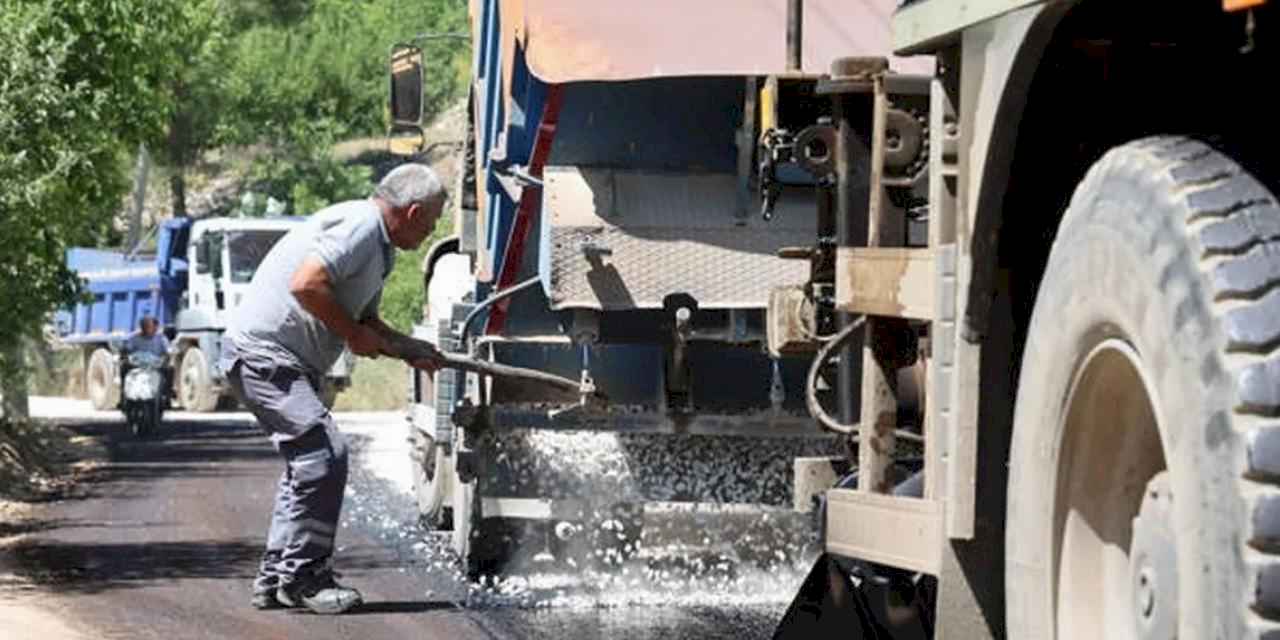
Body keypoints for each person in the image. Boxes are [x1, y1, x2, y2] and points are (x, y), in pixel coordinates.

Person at [220, 164, 445, 614]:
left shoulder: (379, 248)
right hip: (264, 356)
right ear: (413, 210)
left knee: (308, 461)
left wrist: (410, 349)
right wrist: (352, 332)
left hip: (271, 360)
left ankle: (276, 578)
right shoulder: (361, 225)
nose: (433, 230)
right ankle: (305, 579)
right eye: (432, 221)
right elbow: (306, 284)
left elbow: (365, 324)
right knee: (324, 455)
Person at [119, 316, 173, 406]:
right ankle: (123, 395)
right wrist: (124, 355)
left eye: (149, 326)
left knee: (170, 370)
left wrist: (167, 356)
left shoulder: (161, 338)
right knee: (123, 367)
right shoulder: (134, 338)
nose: (147, 329)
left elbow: (168, 350)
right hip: (137, 364)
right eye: (144, 326)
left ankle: (167, 396)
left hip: (155, 365)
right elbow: (126, 349)